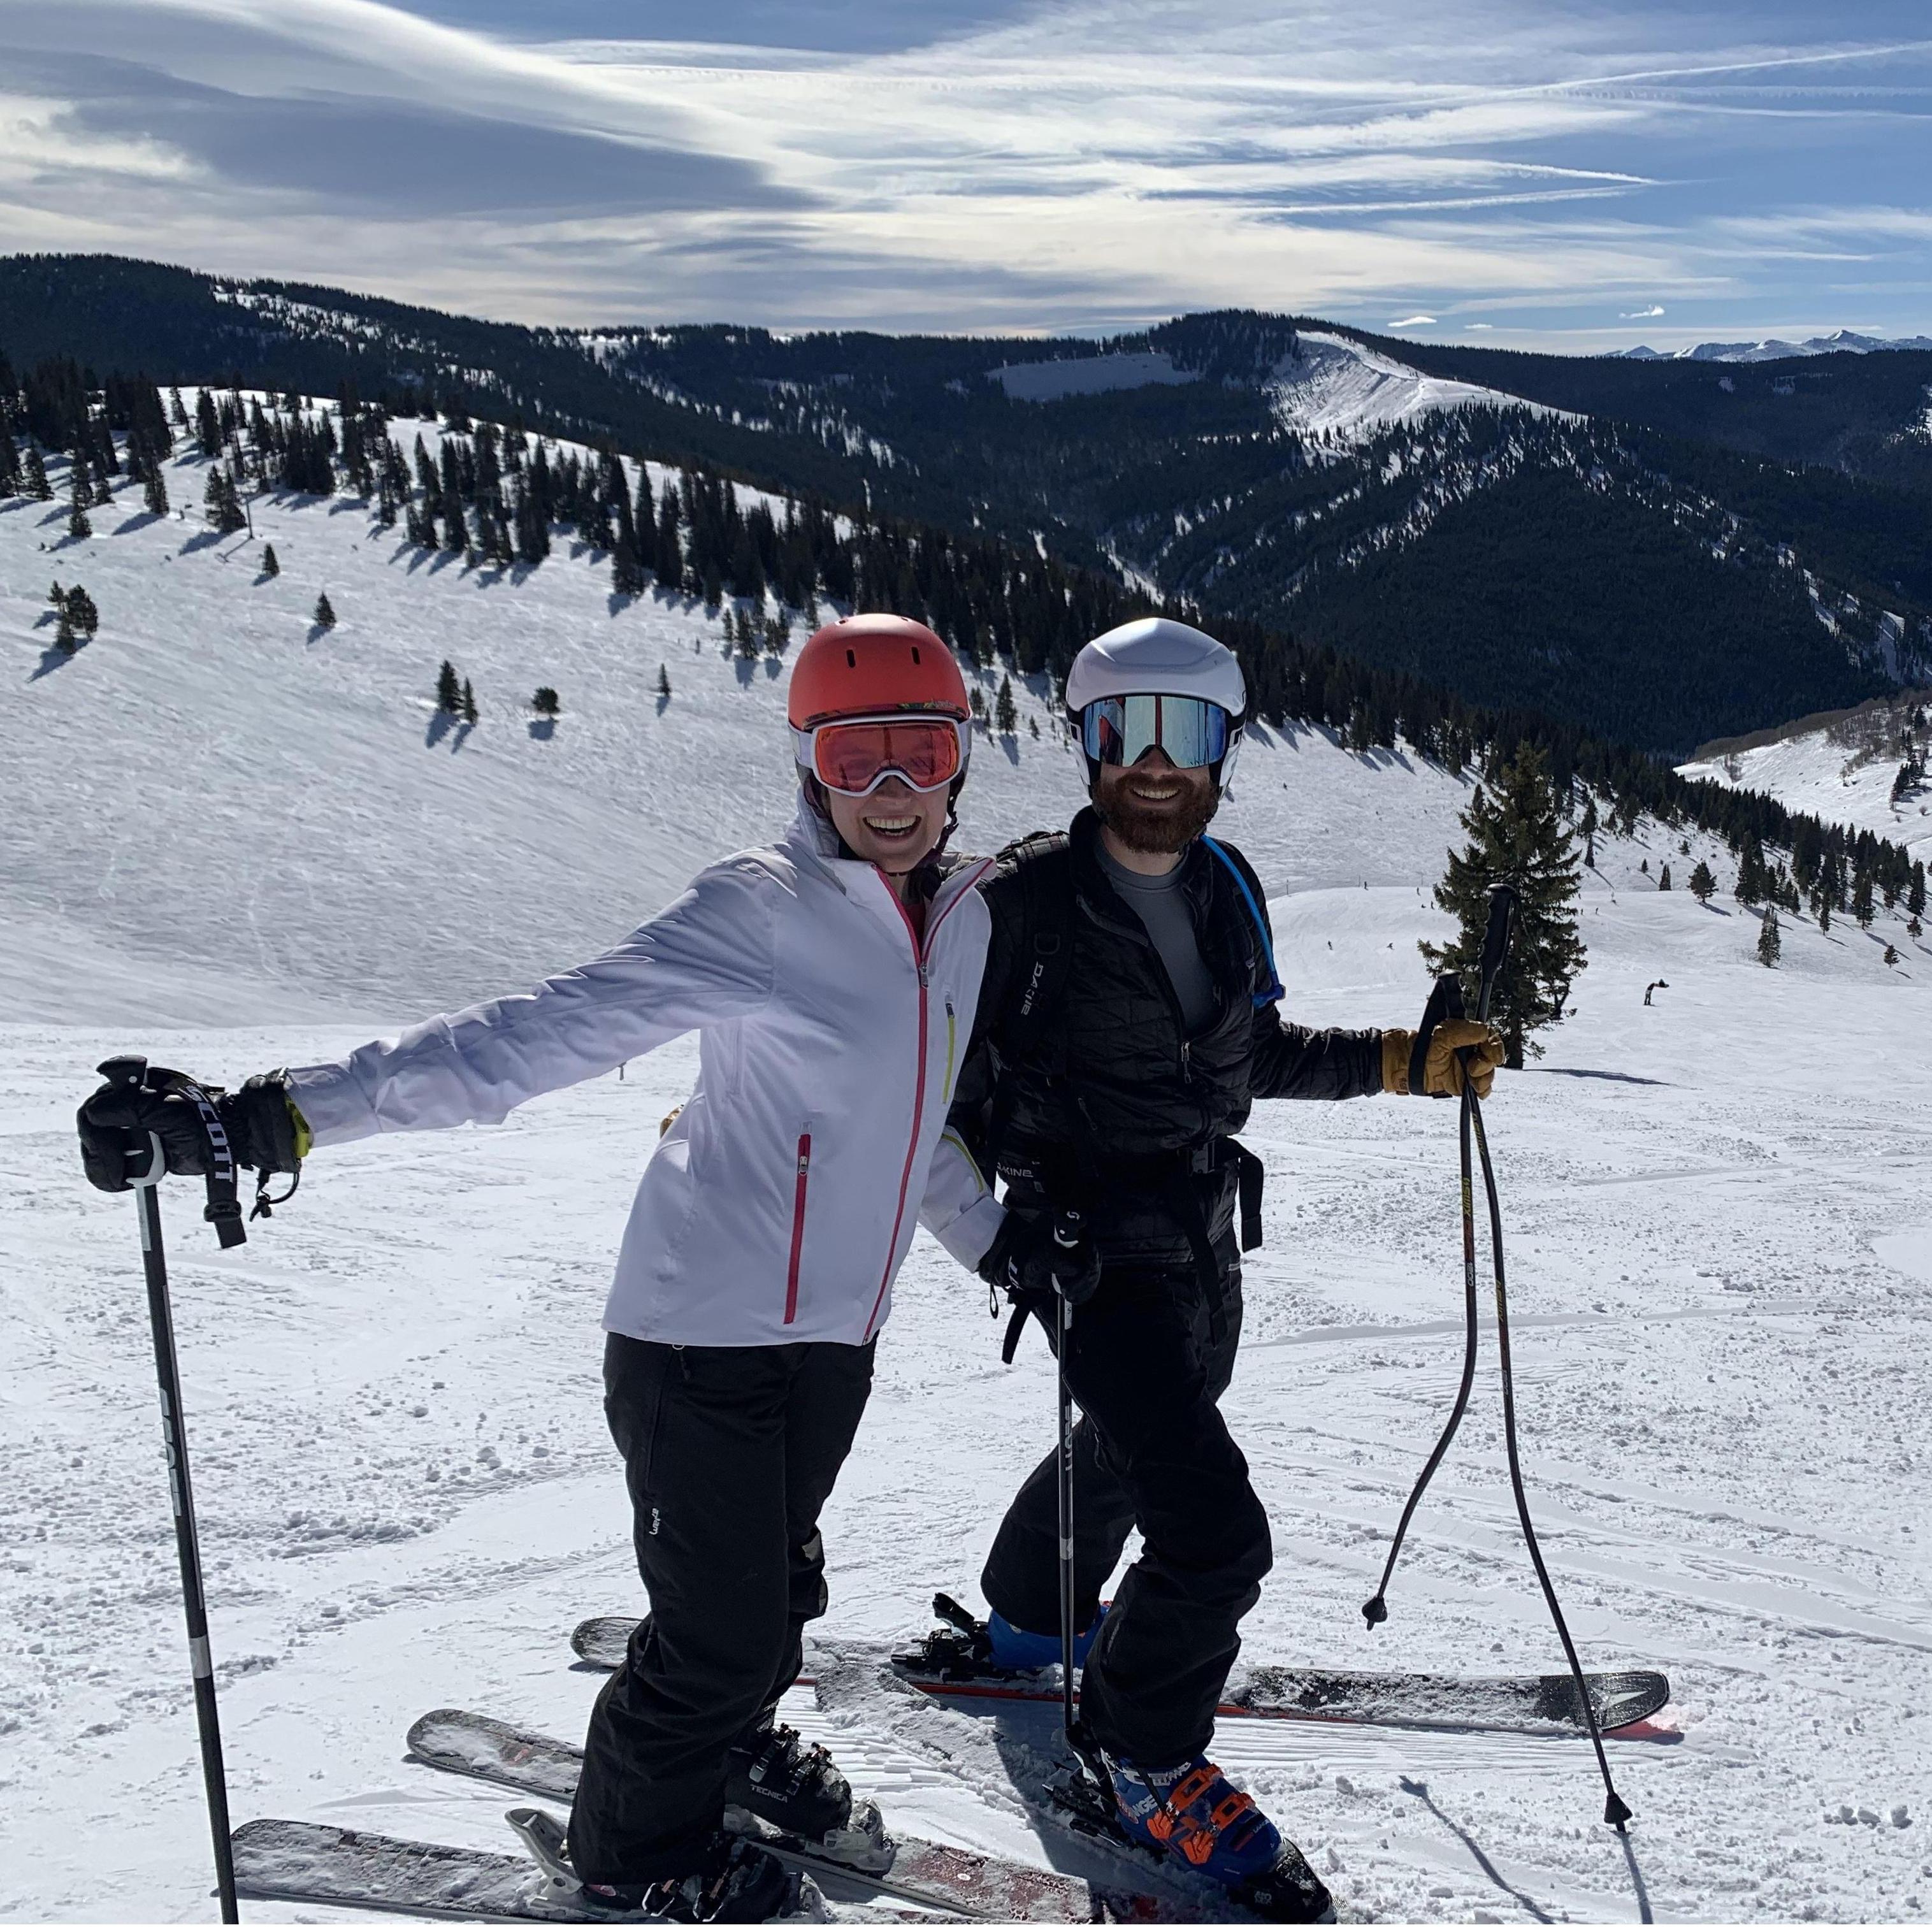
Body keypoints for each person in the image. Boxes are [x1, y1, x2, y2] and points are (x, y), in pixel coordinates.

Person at [76, 613, 997, 1925]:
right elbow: (532, 1037)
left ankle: (727, 1746)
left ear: (965, 758)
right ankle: (638, 1849)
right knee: (716, 1631)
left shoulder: (959, 919)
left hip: (831, 1337)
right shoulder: (761, 911)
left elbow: (917, 1124)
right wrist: (274, 1115)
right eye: (861, 760)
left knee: (775, 1586)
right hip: (698, 1334)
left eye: (923, 750)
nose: (895, 791)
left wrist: (1007, 1246)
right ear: (810, 767)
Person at [932, 616, 1505, 1916]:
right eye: (1121, 730)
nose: (1151, 762)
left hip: (1202, 1251)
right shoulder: (1013, 910)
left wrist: (1404, 1064)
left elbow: (1252, 1056)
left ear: (1222, 752)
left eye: (1182, 734)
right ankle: (1141, 1753)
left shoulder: (1222, 888)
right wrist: (1008, 1244)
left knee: (1137, 1452)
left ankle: (1030, 1619)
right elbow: (926, 1105)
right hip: (1091, 1266)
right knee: (1216, 1532)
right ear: (1083, 744)